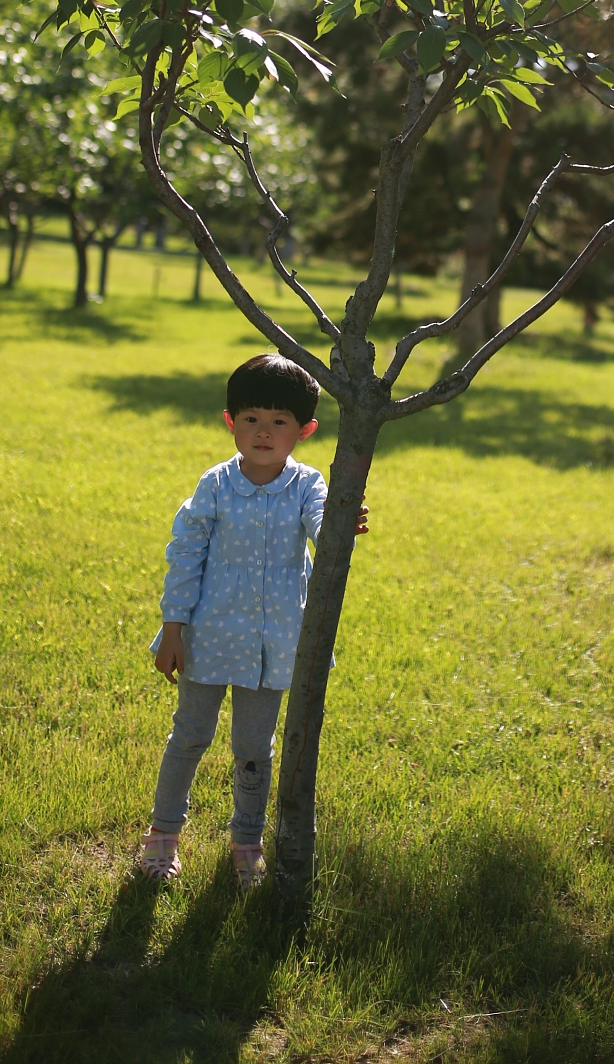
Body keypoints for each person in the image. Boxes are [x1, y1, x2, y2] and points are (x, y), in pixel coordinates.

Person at [136, 352, 368, 889]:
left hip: (272, 647)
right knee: (189, 734)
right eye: (251, 420)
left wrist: (339, 519)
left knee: (252, 748)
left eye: (279, 422)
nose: (264, 432)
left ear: (304, 430)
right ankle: (163, 833)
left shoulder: (307, 486)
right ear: (229, 422)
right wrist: (173, 627)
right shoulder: (215, 486)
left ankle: (246, 841)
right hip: (208, 638)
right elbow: (185, 553)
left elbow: (321, 519)